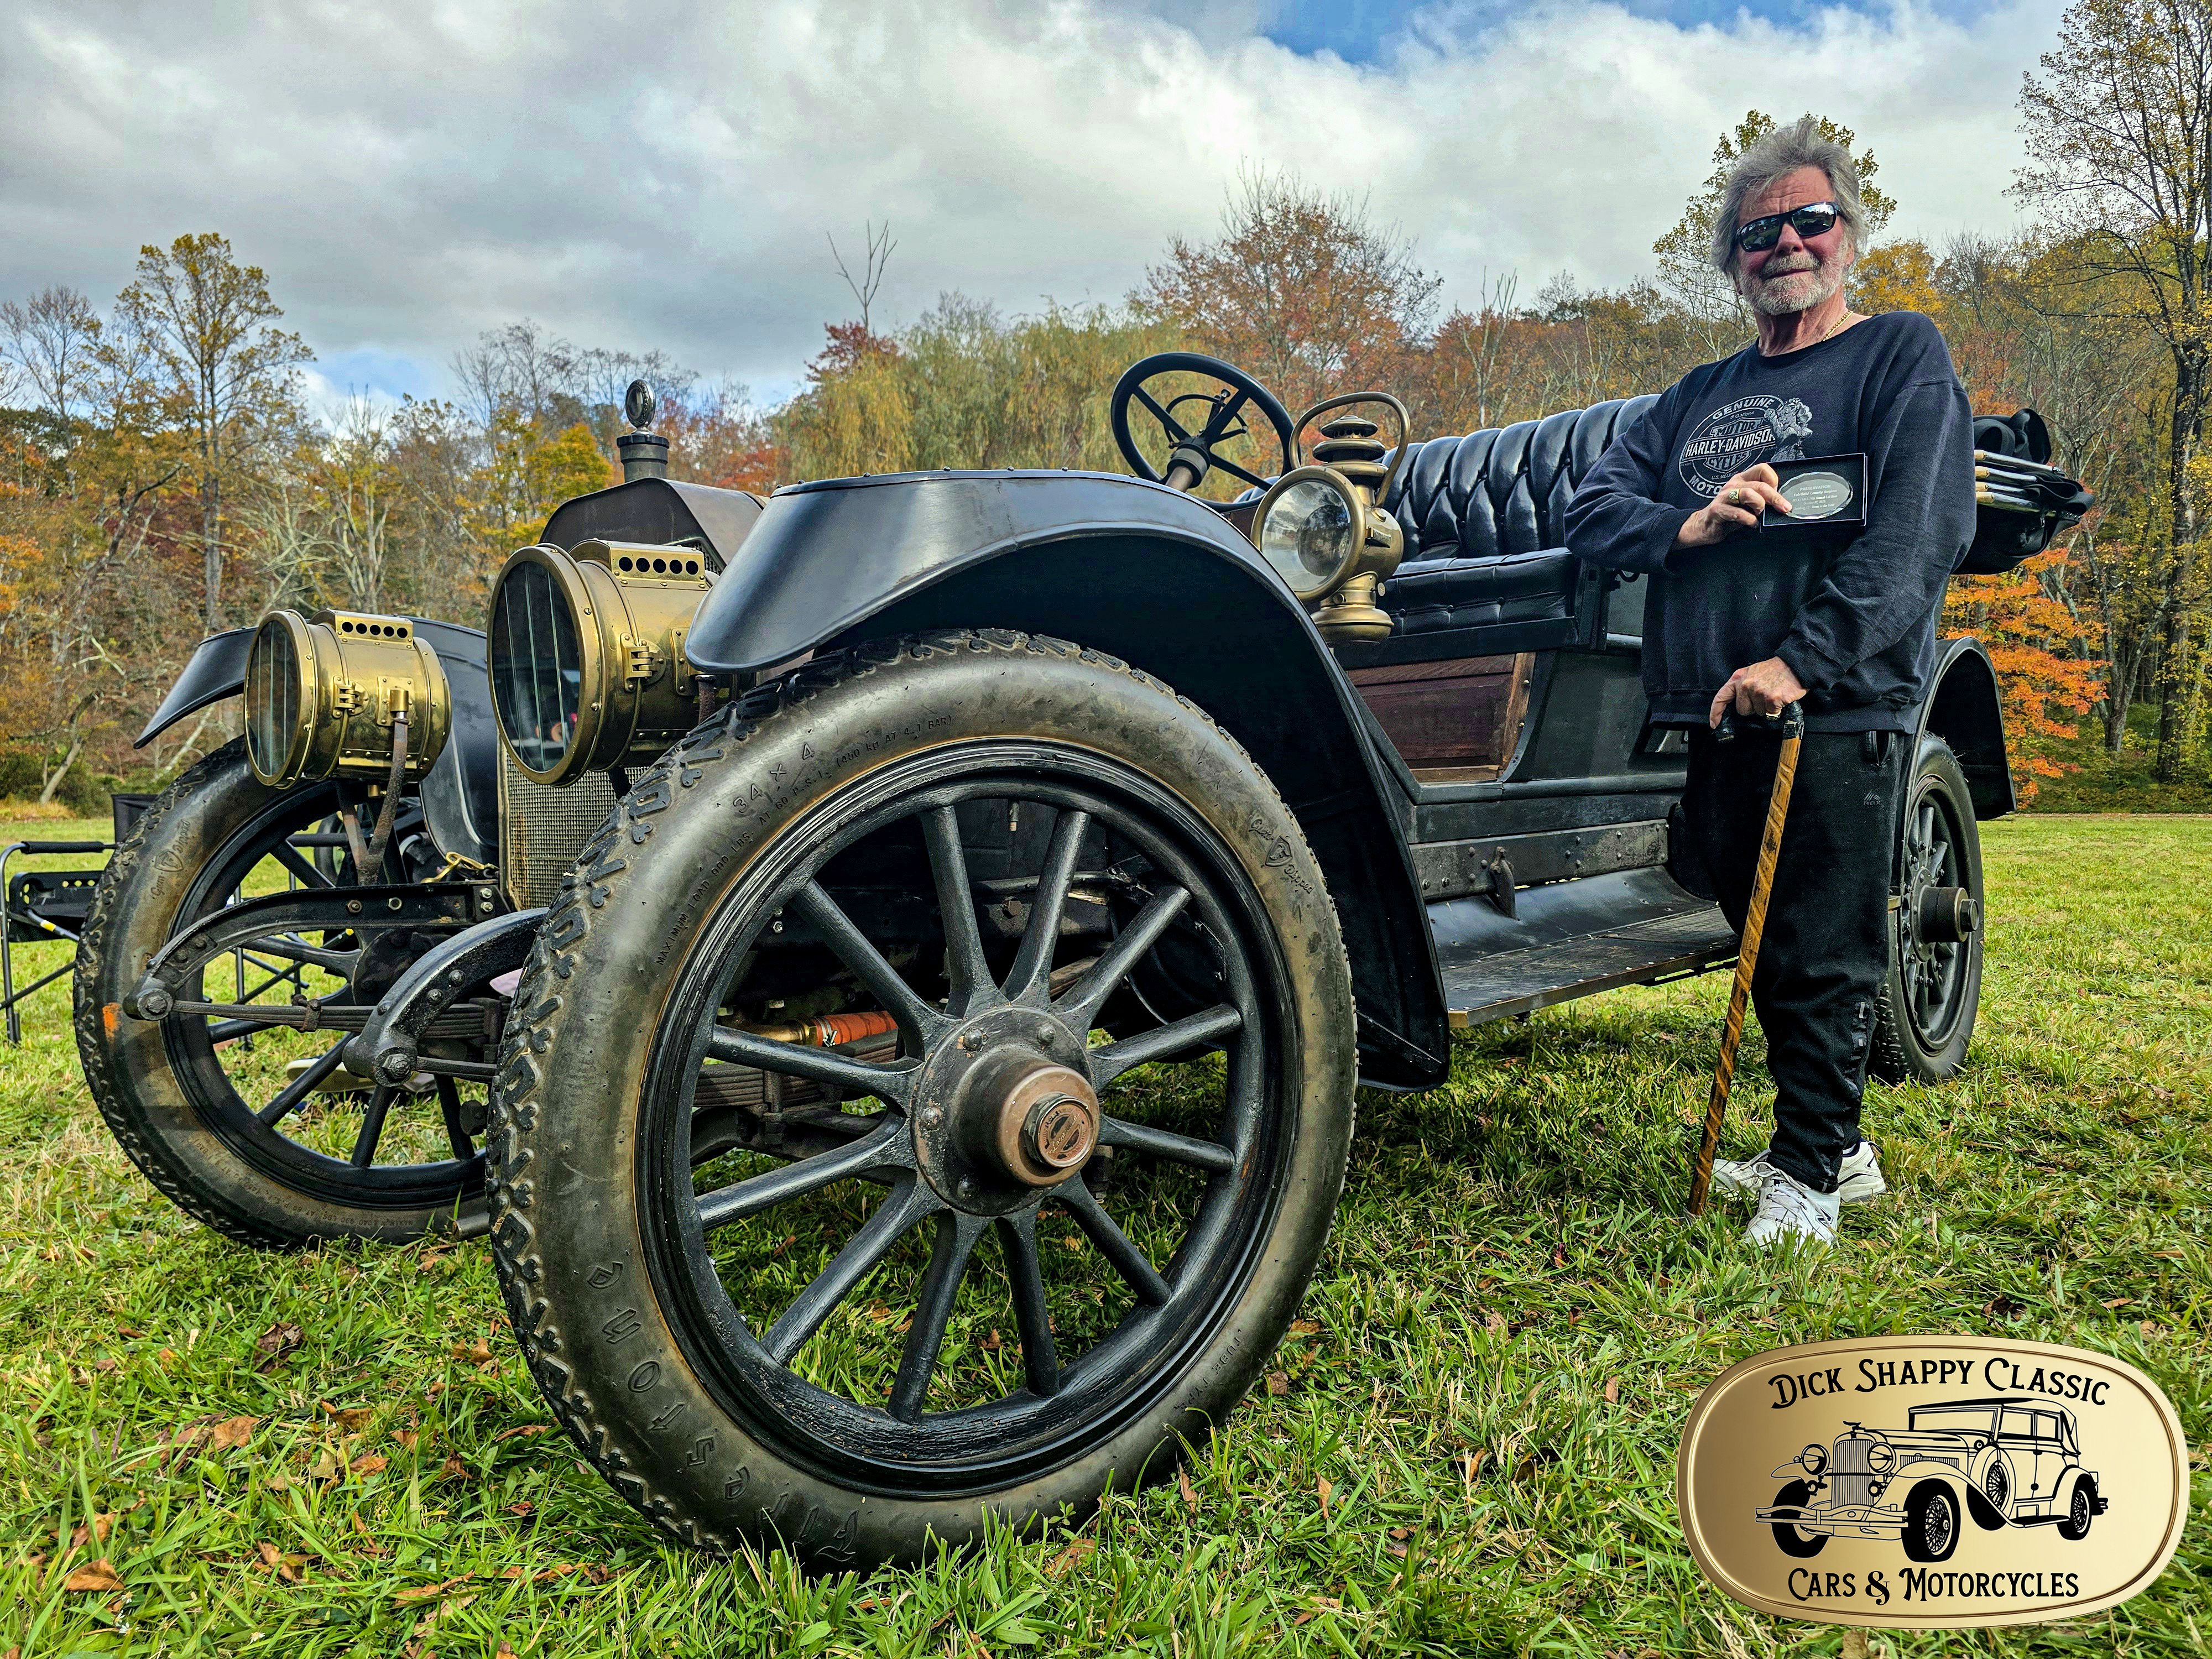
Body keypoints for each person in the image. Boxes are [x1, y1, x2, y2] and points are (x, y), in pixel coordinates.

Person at [1563, 116, 1976, 1248]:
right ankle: (1838, 1145)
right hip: (1712, 705)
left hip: (1833, 702)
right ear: (1731, 260)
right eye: (1757, 231)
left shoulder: (1898, 354)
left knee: (1819, 939)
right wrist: (1685, 520)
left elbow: (1914, 537)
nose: (1783, 243)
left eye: (1808, 220)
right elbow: (1593, 510)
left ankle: (1805, 1175)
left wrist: (1798, 662)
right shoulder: (1696, 391)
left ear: (1846, 236)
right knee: (1749, 917)